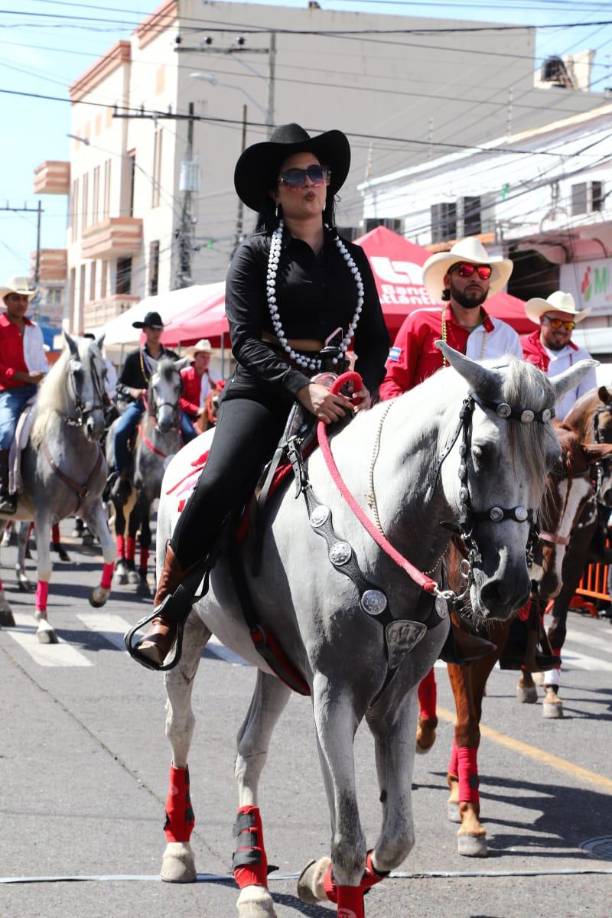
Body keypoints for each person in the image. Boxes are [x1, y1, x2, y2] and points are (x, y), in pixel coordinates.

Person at [134, 122, 390, 667]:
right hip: (266, 388)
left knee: (400, 474)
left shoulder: (354, 259)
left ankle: (440, 612)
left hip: (336, 390)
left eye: (316, 173)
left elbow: (374, 340)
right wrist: (301, 388)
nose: (308, 183)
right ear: (276, 191)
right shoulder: (253, 255)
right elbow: (246, 341)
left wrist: (364, 383)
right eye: (294, 175)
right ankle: (167, 609)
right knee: (220, 481)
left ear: (328, 184)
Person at [379, 237, 522, 748]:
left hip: (482, 463)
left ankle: (526, 632)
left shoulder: (505, 336)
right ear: (448, 280)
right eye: (464, 271)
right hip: (425, 462)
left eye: (482, 273)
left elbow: (519, 396)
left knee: (531, 531)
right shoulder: (421, 325)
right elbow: (391, 387)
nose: (474, 279)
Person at [110, 311, 177, 494]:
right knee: (120, 432)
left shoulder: (171, 358)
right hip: (141, 405)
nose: (156, 333)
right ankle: (122, 476)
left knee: (189, 431)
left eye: (159, 329)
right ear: (145, 331)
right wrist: (134, 391)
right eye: (152, 329)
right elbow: (119, 386)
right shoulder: (134, 358)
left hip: (166, 407)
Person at [0, 277, 48, 514]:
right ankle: (4, 491)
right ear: (6, 300)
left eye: (24, 299)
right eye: (16, 298)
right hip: (8, 392)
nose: (21, 303)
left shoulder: (34, 329)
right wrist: (23, 376)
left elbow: (41, 362)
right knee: (7, 433)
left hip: (37, 390)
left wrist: (43, 377)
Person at [521, 291, 596, 420]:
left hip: (566, 434)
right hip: (526, 431)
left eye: (568, 325)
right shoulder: (520, 349)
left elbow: (588, 404)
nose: (562, 329)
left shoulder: (582, 357)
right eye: (556, 322)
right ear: (542, 320)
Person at [179, 339, 219, 442]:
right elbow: (178, 399)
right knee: (189, 432)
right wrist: (197, 409)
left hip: (206, 415)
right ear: (195, 357)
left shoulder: (213, 375)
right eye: (203, 357)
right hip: (186, 413)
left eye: (208, 357)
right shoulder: (184, 374)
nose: (206, 360)